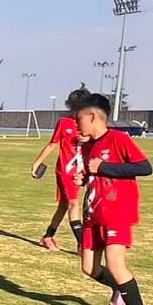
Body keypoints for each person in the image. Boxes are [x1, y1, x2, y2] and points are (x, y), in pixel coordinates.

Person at [74, 92, 153, 305]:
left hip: (116, 211)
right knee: (89, 268)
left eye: (79, 119)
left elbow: (145, 167)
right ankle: (120, 288)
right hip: (93, 212)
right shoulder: (88, 146)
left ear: (92, 116)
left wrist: (104, 167)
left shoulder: (118, 139)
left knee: (115, 263)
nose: (76, 124)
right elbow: (93, 174)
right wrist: (83, 178)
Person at [30, 86, 92, 251]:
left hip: (84, 171)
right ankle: (82, 244)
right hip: (66, 171)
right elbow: (52, 144)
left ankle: (48, 236)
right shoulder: (64, 123)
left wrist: (88, 140)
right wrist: (37, 163)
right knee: (73, 204)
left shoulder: (90, 123)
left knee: (64, 205)